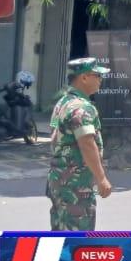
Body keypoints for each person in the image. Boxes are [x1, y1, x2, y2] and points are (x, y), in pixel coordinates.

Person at [47, 58, 113, 231]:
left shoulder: (63, 101)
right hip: (76, 184)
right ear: (84, 77)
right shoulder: (81, 108)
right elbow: (87, 144)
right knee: (77, 240)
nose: (100, 79)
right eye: (97, 75)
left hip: (59, 179)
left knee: (59, 234)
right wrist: (101, 178)